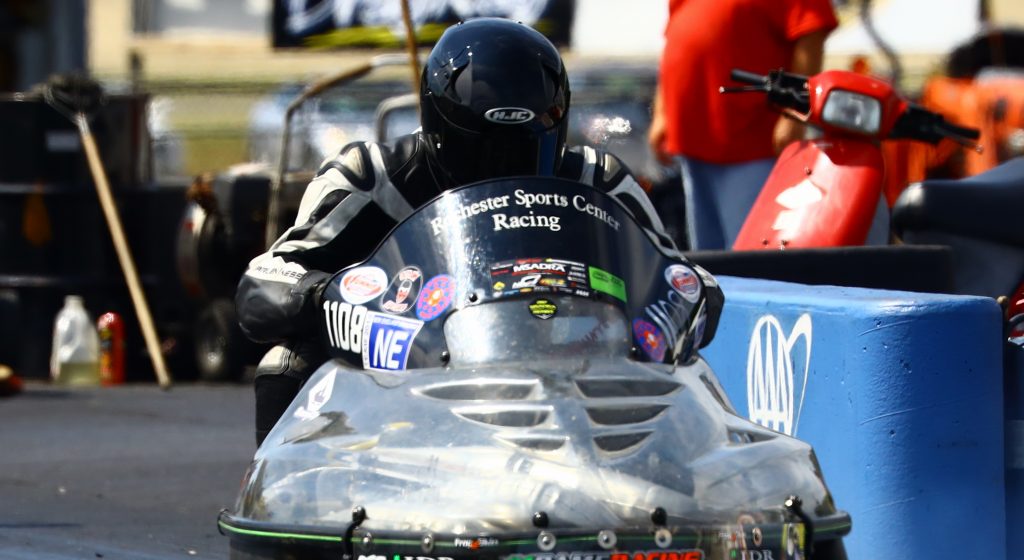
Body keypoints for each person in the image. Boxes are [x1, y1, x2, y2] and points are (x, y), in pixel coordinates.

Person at [237, 17, 724, 446]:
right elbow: (264, 283)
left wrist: (663, 316)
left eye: (520, 148)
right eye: (485, 148)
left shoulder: (598, 179)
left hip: (572, 370)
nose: (502, 168)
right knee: (287, 362)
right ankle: (287, 506)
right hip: (403, 381)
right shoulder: (370, 176)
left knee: (693, 375)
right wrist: (333, 297)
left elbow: (682, 277)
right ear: (439, 124)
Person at [648, 0, 838, 250]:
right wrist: (662, 112)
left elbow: (810, 31)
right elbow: (675, 38)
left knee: (748, 258)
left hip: (752, 144)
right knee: (709, 261)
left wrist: (793, 110)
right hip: (694, 146)